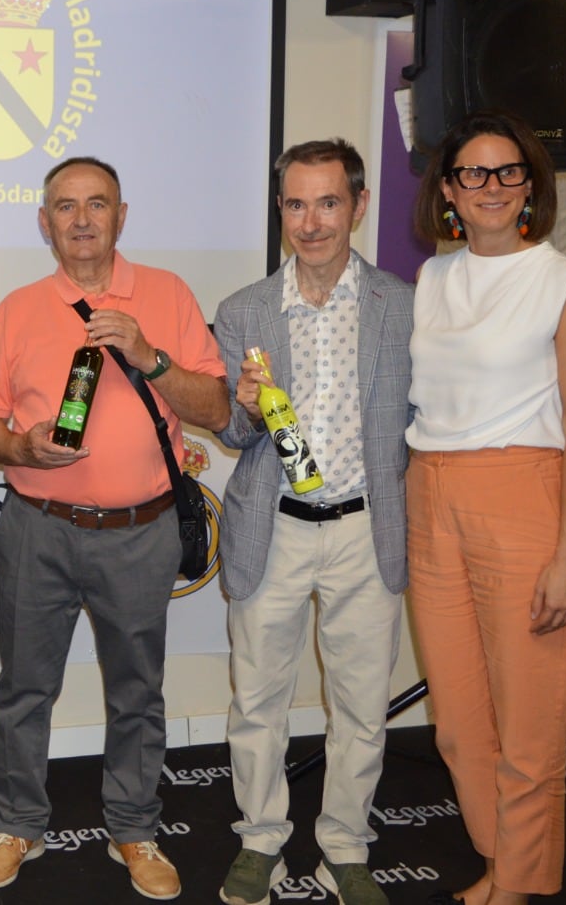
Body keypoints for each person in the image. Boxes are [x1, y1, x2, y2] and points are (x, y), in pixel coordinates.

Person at [0, 155, 229, 900]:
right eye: (65, 206)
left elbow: (215, 408)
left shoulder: (168, 294)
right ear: (44, 223)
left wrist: (150, 356)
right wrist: (22, 447)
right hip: (38, 527)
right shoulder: (18, 308)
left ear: (122, 215)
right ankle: (18, 825)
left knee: (137, 692)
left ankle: (134, 829)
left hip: (140, 531)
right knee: (24, 687)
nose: (82, 219)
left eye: (97, 204)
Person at [406, 110, 566, 905]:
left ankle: (515, 887)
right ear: (448, 191)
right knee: (459, 723)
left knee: (528, 725)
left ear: (530, 185)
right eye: (472, 173)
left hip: (526, 500)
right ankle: (502, 862)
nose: (490, 186)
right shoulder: (433, 278)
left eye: (507, 171)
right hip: (432, 496)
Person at [212, 139, 413, 905]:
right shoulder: (244, 310)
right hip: (275, 526)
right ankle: (261, 840)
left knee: (361, 703)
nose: (311, 221)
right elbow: (236, 436)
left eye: (328, 202)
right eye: (296, 204)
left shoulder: (403, 305)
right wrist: (242, 405)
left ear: (358, 205)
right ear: (281, 210)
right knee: (257, 699)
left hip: (366, 527)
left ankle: (345, 848)